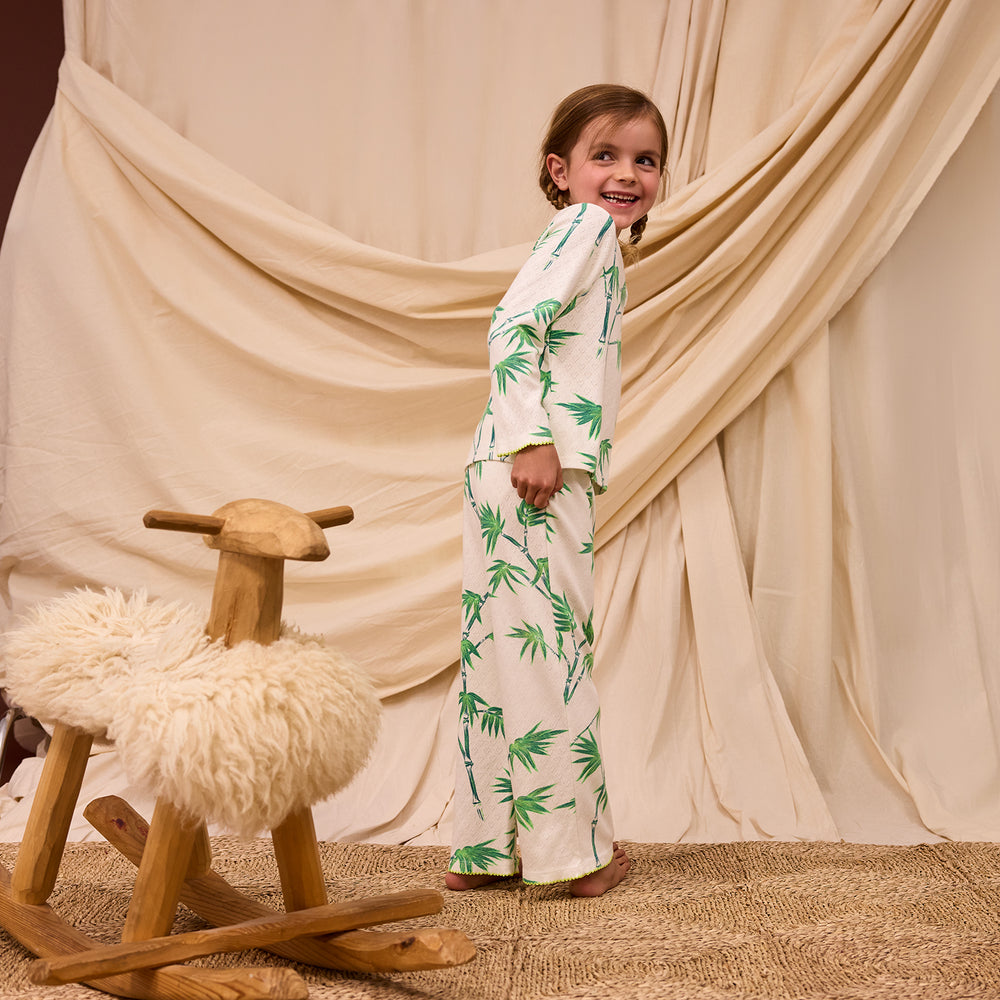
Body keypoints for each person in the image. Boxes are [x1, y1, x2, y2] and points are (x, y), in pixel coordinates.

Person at [446, 84, 668, 897]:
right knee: (553, 657)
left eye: (646, 160)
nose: (627, 174)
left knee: (497, 655)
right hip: (537, 466)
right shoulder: (585, 228)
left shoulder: (578, 238)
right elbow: (512, 326)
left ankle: (485, 851)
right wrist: (533, 439)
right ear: (559, 169)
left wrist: (519, 442)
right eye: (605, 155)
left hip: (500, 469)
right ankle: (578, 855)